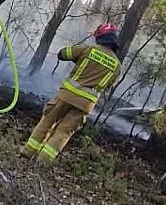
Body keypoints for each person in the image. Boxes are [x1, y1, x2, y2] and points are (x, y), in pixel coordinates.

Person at [22, 23, 121, 162]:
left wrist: (78, 57)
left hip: (67, 95)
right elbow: (109, 85)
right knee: (63, 132)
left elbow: (63, 54)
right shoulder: (117, 65)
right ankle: (43, 162)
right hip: (85, 105)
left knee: (47, 121)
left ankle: (28, 151)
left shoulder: (88, 49)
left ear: (101, 36)